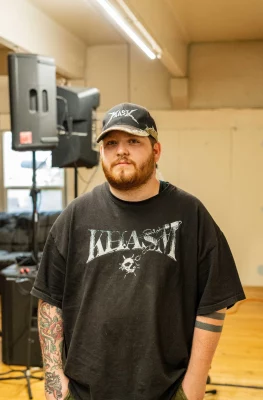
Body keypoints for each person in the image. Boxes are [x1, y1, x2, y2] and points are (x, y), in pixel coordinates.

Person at [31, 102, 245, 400]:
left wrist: (194, 382)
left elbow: (213, 302)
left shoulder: (190, 213)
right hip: (84, 391)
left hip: (166, 389)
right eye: (111, 143)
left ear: (155, 151)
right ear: (102, 153)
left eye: (133, 141)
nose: (121, 150)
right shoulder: (76, 216)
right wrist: (54, 379)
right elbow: (50, 301)